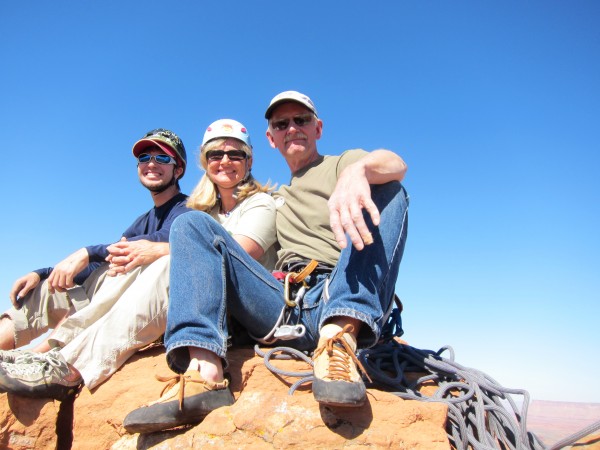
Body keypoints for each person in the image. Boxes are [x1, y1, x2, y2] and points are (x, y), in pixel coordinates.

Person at [123, 91, 409, 433]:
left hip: (340, 288)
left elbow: (396, 163)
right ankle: (205, 374)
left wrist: (358, 172)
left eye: (301, 120)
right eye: (281, 124)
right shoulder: (273, 200)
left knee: (390, 189)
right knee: (190, 223)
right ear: (271, 138)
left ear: (318, 128)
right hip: (284, 300)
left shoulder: (340, 164)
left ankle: (338, 341)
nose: (292, 128)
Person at [0, 119, 277, 401]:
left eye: (235, 154)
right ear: (205, 163)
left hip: (243, 308)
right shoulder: (206, 212)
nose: (225, 161)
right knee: (111, 269)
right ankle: (49, 354)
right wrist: (46, 271)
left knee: (164, 264)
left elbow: (233, 256)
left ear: (249, 161)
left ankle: (70, 365)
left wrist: (157, 250)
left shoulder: (258, 204)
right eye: (216, 155)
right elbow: (112, 260)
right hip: (205, 306)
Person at [0, 128, 189, 354]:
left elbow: (164, 239)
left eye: (162, 158)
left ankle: (41, 355)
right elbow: (101, 262)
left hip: (140, 307)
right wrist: (42, 273)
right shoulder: (143, 221)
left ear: (177, 170)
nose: (151, 163)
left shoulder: (188, 208)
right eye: (144, 158)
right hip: (104, 296)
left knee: (126, 267)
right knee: (44, 289)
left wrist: (88, 251)